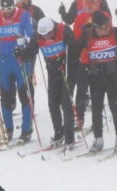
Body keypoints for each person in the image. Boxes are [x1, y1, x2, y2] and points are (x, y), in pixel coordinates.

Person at [79, 11, 117, 151]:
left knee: (115, 107)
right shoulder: (88, 34)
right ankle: (98, 139)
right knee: (96, 108)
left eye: (108, 25)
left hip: (114, 77)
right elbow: (75, 49)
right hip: (95, 78)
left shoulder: (116, 32)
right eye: (103, 27)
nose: (107, 29)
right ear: (95, 27)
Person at [0, 0, 38, 142]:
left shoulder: (23, 15)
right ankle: (8, 129)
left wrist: (25, 39)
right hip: (4, 59)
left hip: (20, 58)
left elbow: (31, 34)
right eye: (4, 9)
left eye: (9, 8)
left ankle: (26, 129)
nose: (6, 11)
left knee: (25, 93)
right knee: (5, 94)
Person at [35, 16, 78, 148]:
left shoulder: (64, 30)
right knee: (53, 103)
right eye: (43, 35)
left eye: (48, 34)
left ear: (52, 29)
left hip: (68, 71)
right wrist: (21, 53)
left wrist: (64, 60)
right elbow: (31, 50)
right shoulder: (38, 36)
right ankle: (59, 133)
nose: (46, 37)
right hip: (53, 72)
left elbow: (74, 50)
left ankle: (70, 138)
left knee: (66, 103)